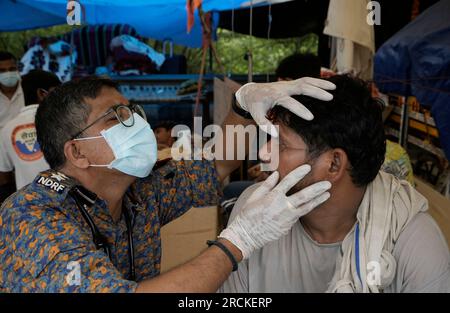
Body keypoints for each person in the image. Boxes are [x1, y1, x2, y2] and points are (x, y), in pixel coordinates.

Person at [0, 75, 335, 292]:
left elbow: (218, 161)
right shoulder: (30, 220)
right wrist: (240, 239)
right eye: (116, 117)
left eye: (131, 110)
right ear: (77, 152)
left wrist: (243, 104)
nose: (136, 123)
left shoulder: (138, 194)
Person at [220, 75, 450, 293]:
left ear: (334, 164)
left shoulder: (414, 243)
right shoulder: (252, 213)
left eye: (282, 145)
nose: (263, 152)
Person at [0, 70, 61, 194]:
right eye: (56, 92)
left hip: (28, 204)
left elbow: (4, 176)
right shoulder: (60, 121)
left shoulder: (7, 129)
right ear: (41, 94)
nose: (60, 98)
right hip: (64, 198)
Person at [0, 51, 24, 129]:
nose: (8, 73)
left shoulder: (28, 89)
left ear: (17, 68)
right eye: (2, 71)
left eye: (12, 69)